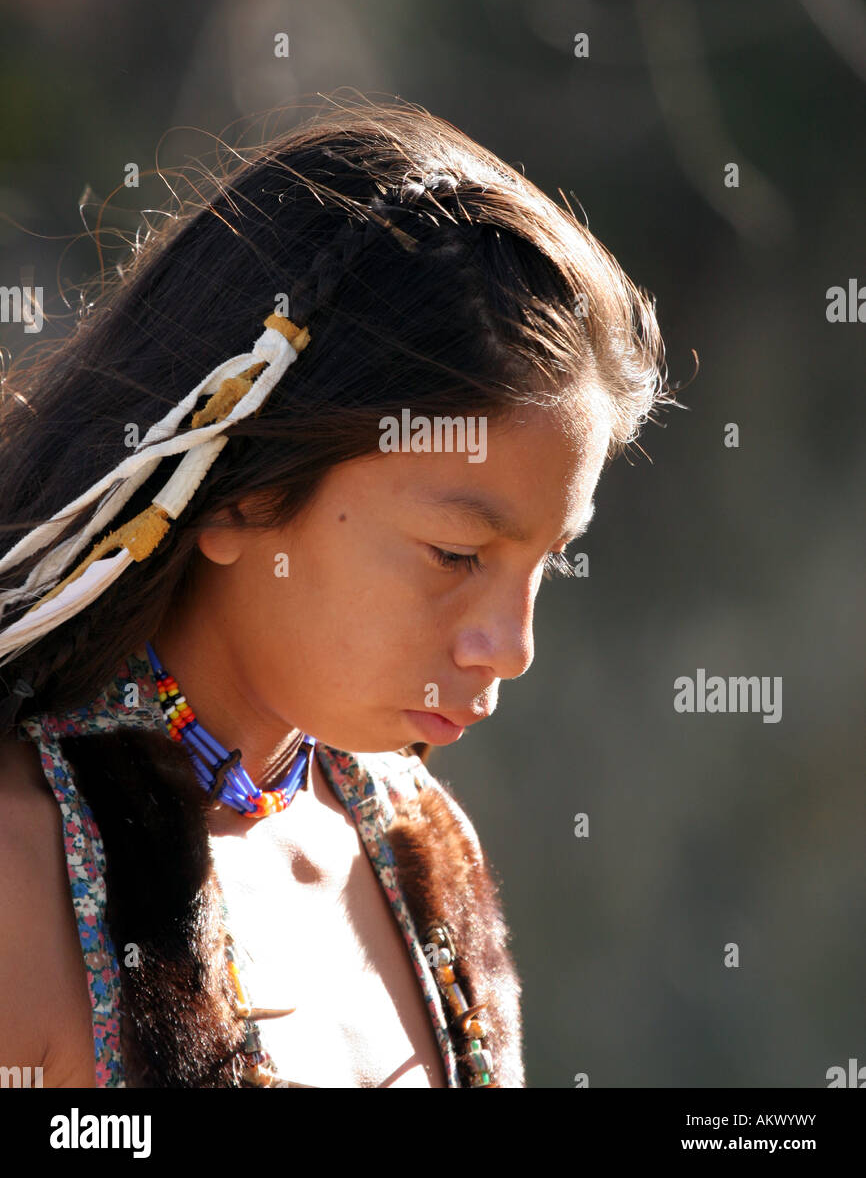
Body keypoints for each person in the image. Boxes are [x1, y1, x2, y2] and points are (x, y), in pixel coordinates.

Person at [0, 97, 676, 1087]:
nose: (510, 645)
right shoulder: (24, 884)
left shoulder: (418, 844)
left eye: (542, 563)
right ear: (238, 495)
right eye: (455, 553)